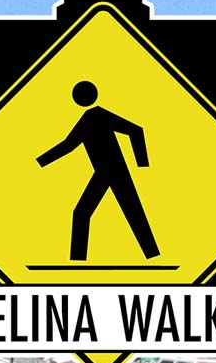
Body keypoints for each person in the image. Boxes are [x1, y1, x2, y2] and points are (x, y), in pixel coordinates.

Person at [36, 80, 159, 261]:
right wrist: (41, 161)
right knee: (85, 213)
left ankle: (151, 254)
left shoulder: (98, 115)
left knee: (129, 212)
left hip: (115, 170)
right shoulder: (88, 119)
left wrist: (142, 164)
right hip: (104, 171)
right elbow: (69, 145)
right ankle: (78, 260)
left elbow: (136, 130)